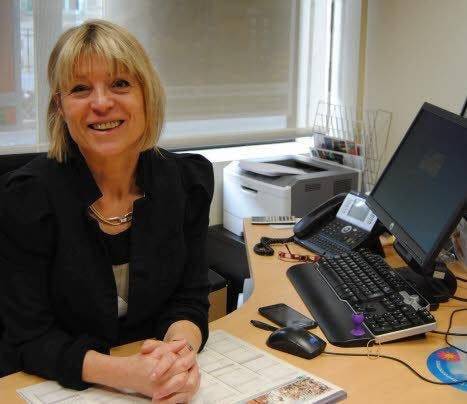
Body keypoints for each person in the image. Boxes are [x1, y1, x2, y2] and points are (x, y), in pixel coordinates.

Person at [0, 19, 213, 403]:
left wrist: (177, 356)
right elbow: (29, 337)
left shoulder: (186, 183)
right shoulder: (27, 198)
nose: (101, 103)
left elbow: (190, 298)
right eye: (80, 89)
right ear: (60, 107)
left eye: (120, 84)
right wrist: (128, 376)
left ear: (147, 95)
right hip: (56, 385)